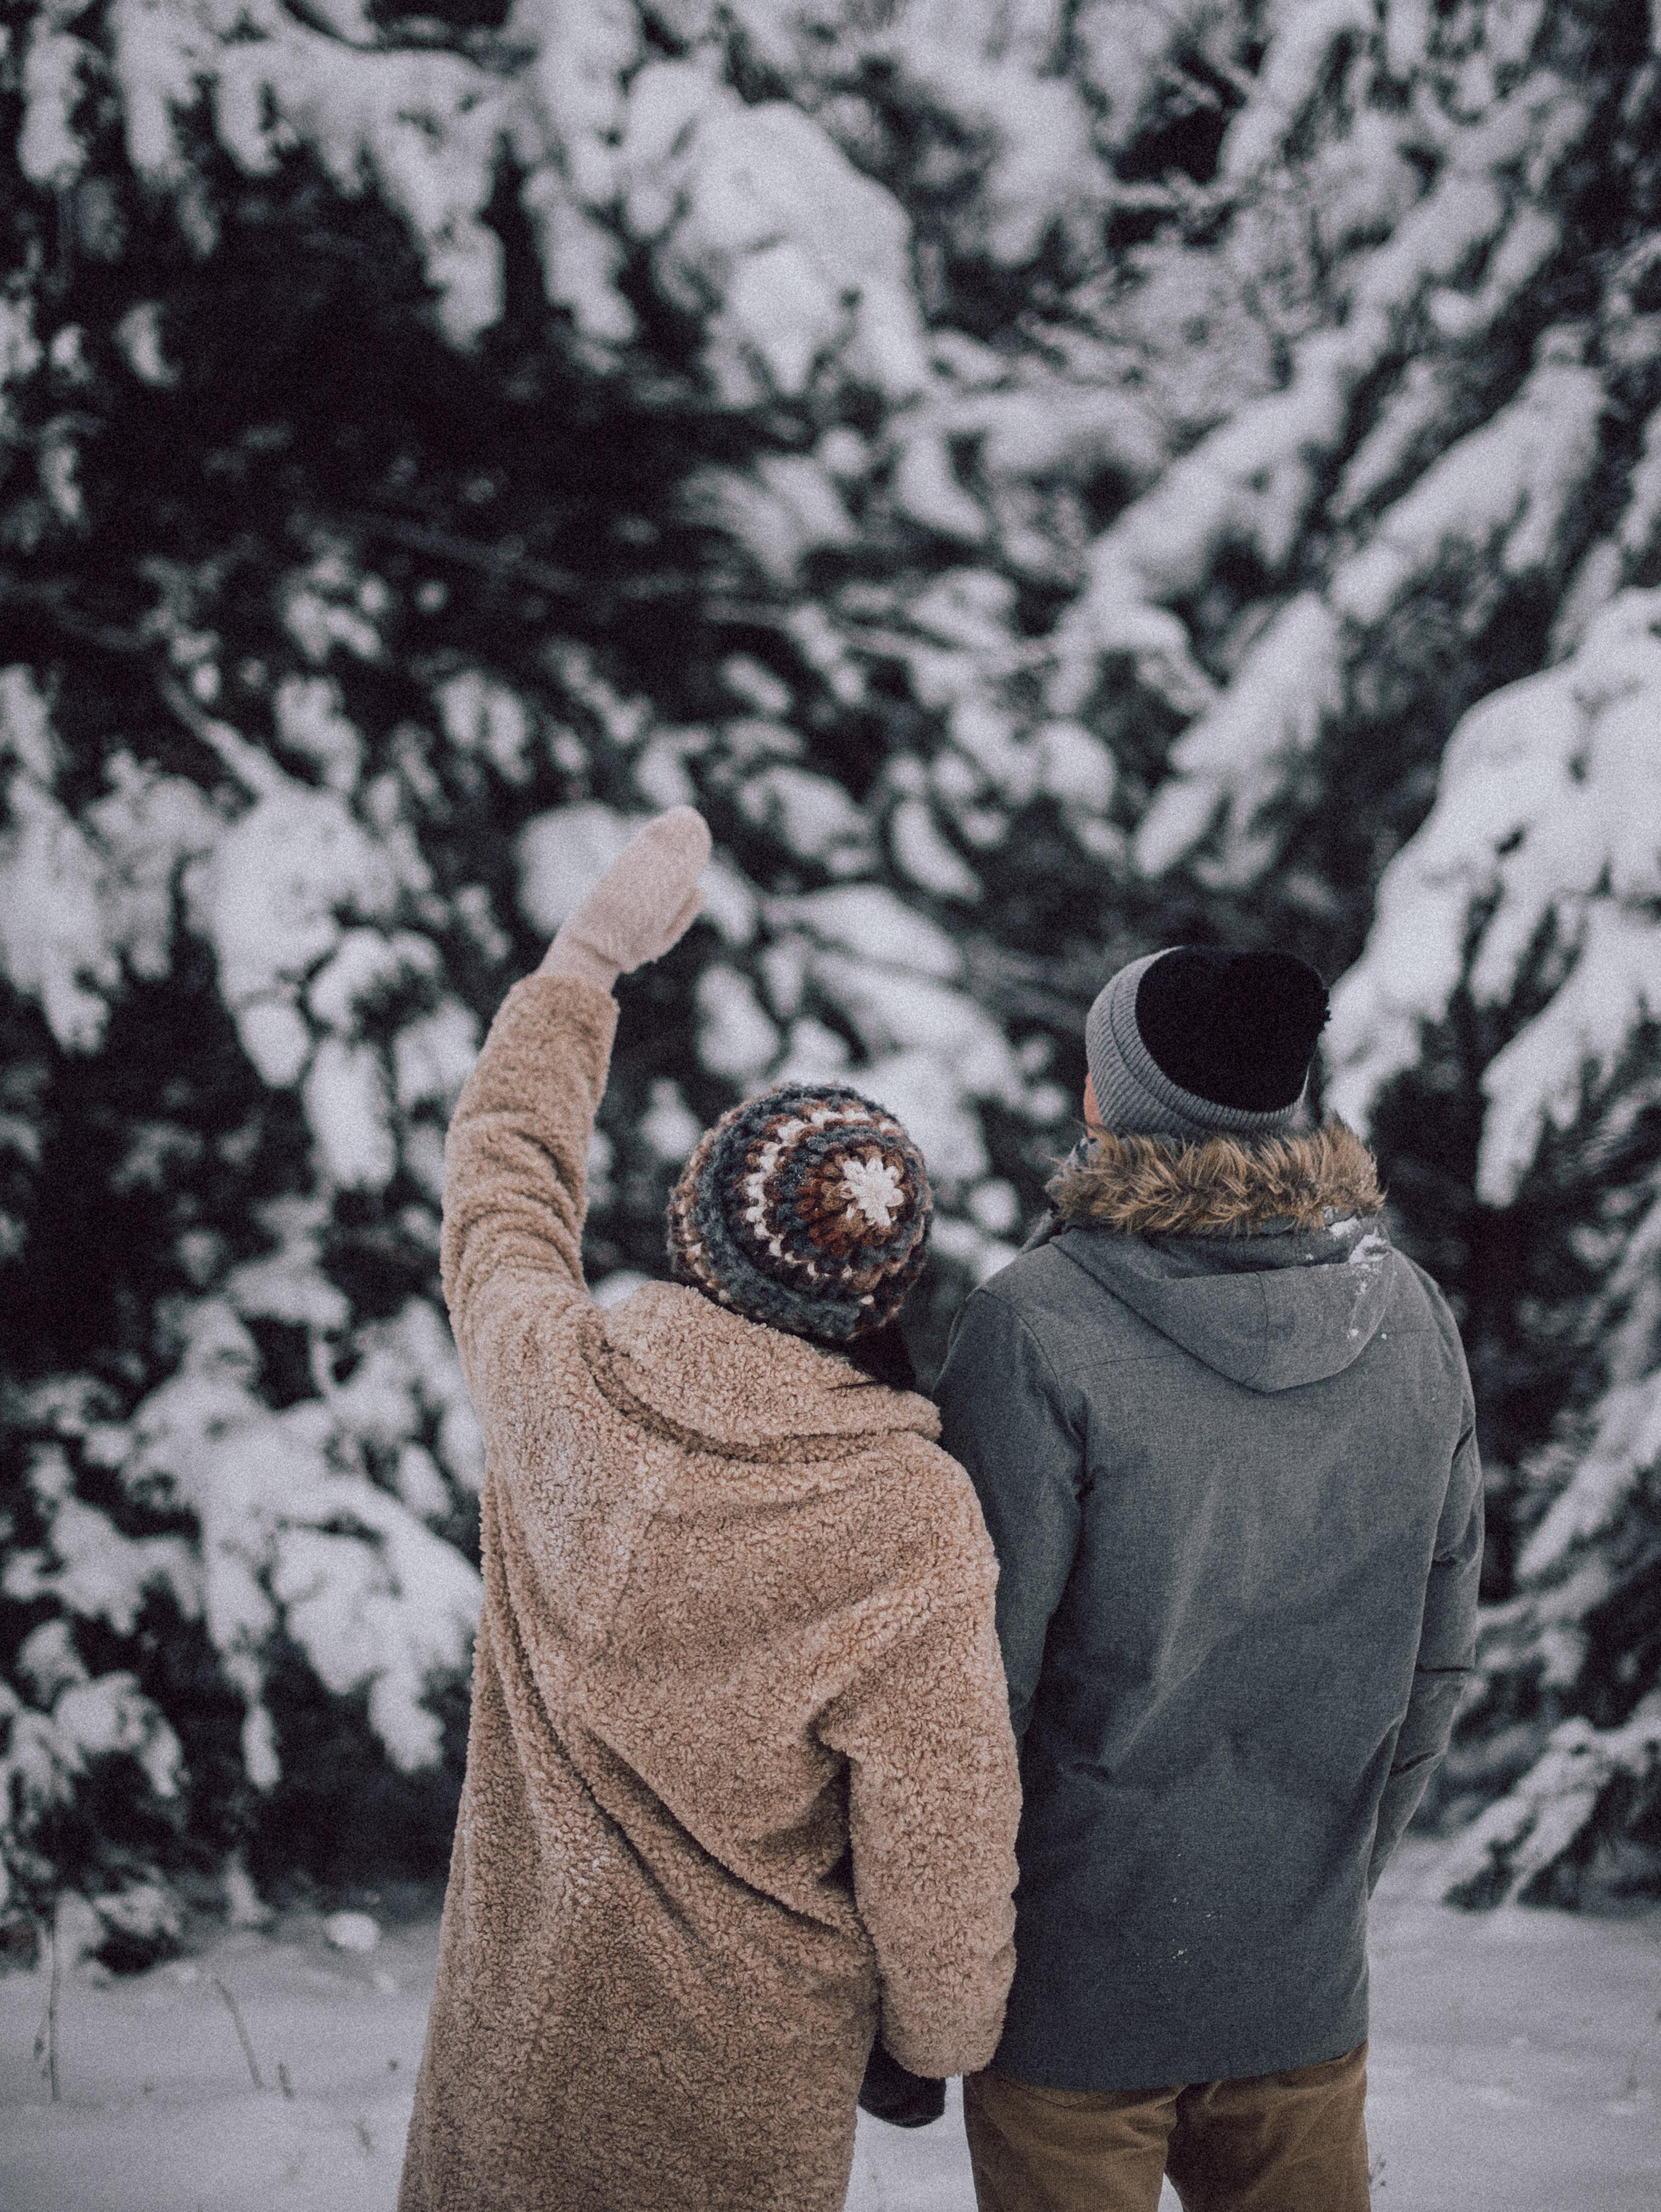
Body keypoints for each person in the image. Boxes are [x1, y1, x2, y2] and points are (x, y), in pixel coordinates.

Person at [398, 807, 1020, 2212]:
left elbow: (498, 1182)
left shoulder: (557, 1381)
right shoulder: (905, 1514)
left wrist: (580, 966)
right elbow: (940, 1826)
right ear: (880, 1296)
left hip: (509, 2059)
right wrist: (938, 2040)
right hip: (737, 2102)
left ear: (696, 1229)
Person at [934, 945, 1483, 2212]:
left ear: (1104, 1102)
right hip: (1296, 1985)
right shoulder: (1406, 1312)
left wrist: (951, 1954)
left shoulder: (1030, 1325)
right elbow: (1436, 1660)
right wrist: (1315, 1880)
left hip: (1069, 1996)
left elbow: (966, 1700)